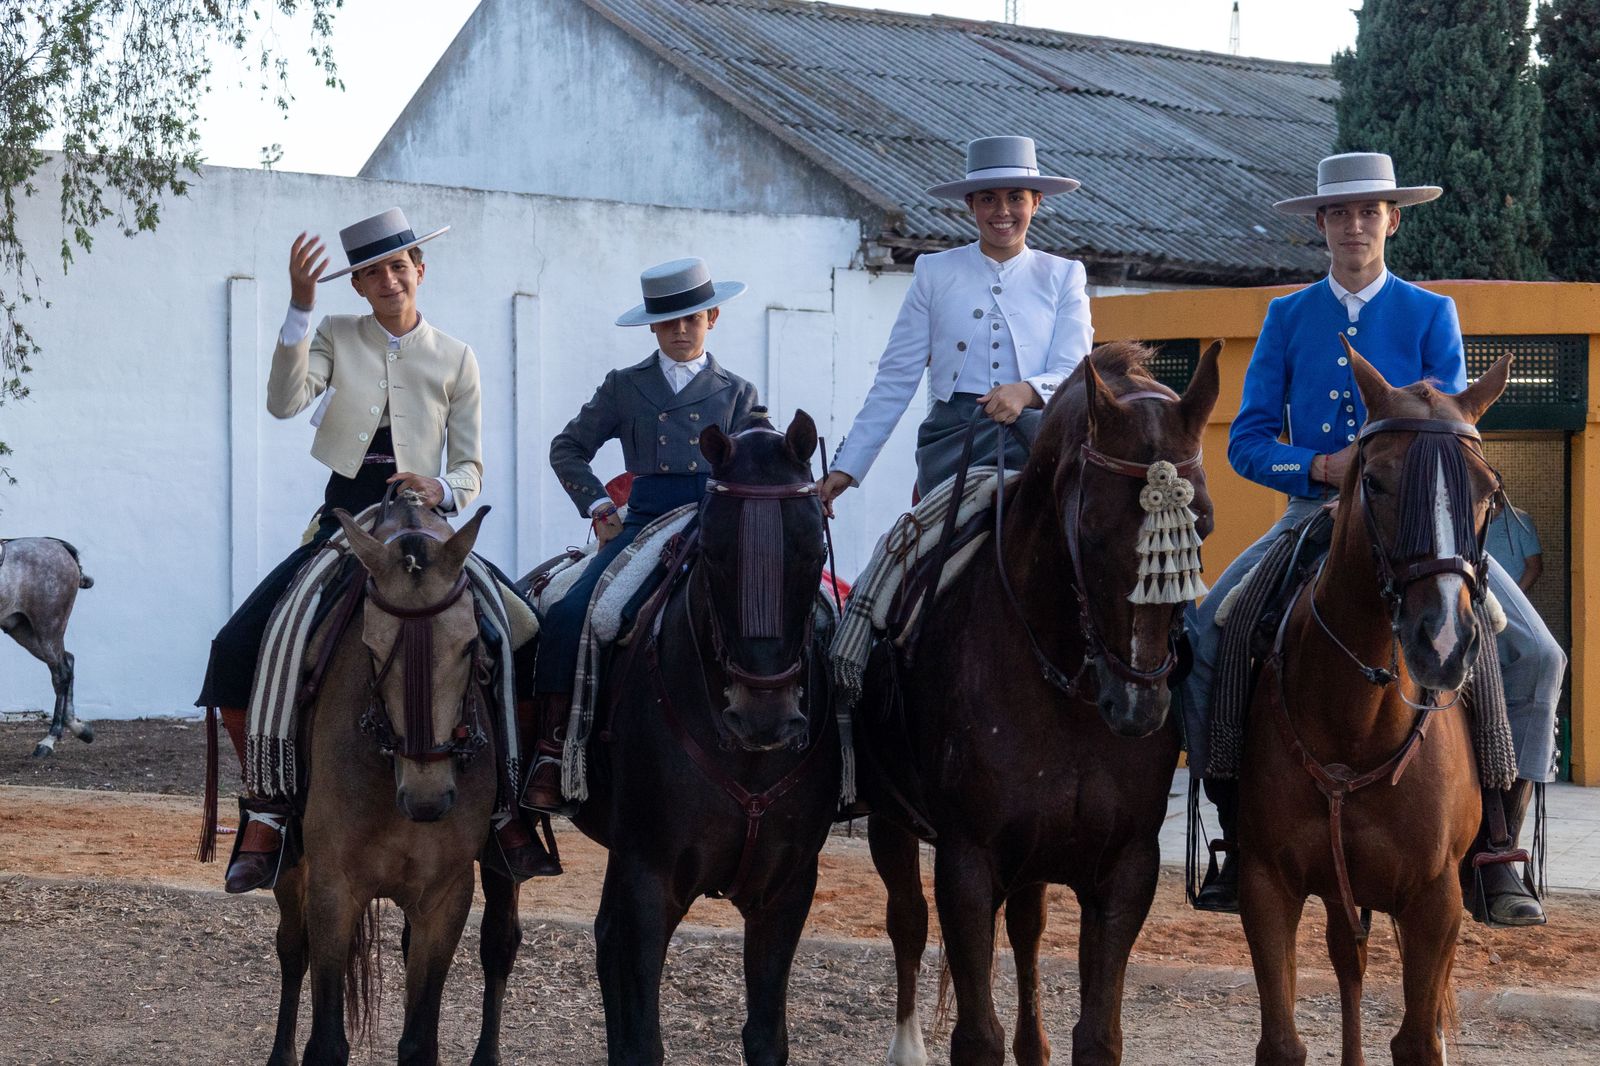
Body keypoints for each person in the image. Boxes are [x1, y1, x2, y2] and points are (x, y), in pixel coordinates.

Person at [1183, 153, 1564, 925]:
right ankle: (1236, 829)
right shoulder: (1287, 317)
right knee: (1209, 628)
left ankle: (1497, 845)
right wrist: (1316, 465)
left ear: (1392, 220)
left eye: (1369, 212)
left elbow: (1454, 432)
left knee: (1536, 654)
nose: (1354, 225)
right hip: (1312, 514)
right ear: (1321, 224)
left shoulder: (1430, 313)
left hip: (1417, 524)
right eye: (1340, 213)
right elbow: (1247, 442)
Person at [198, 208, 549, 890]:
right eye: (372, 273)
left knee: (525, 633)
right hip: (346, 525)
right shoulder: (334, 333)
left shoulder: (457, 356)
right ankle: (269, 807)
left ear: (420, 269)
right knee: (237, 645)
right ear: (357, 286)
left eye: (398, 266)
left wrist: (444, 487)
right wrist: (301, 308)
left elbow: (471, 467)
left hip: (428, 528)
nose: (389, 280)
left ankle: (508, 806)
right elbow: (283, 403)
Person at [523, 258, 760, 811]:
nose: (681, 330)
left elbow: (759, 463)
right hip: (643, 522)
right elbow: (567, 448)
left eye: (692, 318)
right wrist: (599, 505)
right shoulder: (624, 386)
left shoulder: (738, 392)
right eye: (668, 321)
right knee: (569, 613)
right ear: (652, 326)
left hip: (715, 523)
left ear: (713, 318)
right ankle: (555, 750)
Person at [817, 135, 1093, 508]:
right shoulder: (934, 272)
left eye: (1015, 198)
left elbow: (1074, 371)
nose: (1002, 211)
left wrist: (1027, 392)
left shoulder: (1063, 275)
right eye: (988, 199)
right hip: (952, 440)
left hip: (1038, 437)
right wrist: (848, 466)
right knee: (924, 541)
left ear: (1036, 202)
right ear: (970, 204)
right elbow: (896, 378)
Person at [1486, 503, 1544, 593]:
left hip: (1509, 594)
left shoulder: (1520, 519)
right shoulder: (1473, 520)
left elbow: (1534, 567)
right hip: (1480, 595)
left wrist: (1514, 596)